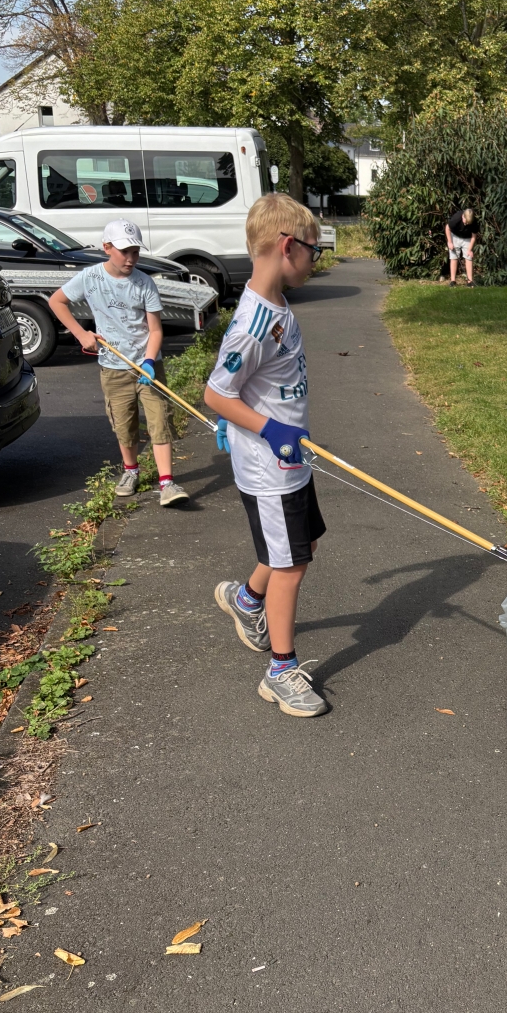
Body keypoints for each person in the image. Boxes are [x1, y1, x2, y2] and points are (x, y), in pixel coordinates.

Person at [204, 193, 329, 719]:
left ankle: (247, 600)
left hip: (288, 455)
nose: (315, 259)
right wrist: (263, 427)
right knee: (292, 564)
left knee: (300, 544)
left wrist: (275, 426)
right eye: (314, 251)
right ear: (286, 246)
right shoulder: (255, 321)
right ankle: (280, 671)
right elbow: (216, 392)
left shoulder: (275, 305)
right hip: (269, 463)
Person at [48, 220, 189, 506]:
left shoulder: (145, 283)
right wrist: (81, 333)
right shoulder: (90, 278)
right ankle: (130, 471)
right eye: (125, 251)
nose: (131, 258)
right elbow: (56, 301)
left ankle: (167, 483)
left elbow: (156, 330)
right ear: (107, 248)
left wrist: (150, 361)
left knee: (159, 420)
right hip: (113, 366)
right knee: (124, 424)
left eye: (135, 251)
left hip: (148, 366)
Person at [445, 207, 478, 286]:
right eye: (465, 222)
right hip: (455, 236)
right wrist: (450, 242)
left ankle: (470, 281)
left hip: (467, 238)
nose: (466, 224)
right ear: (463, 216)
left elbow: (474, 236)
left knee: (469, 258)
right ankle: (453, 281)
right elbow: (447, 228)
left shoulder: (474, 221)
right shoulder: (456, 218)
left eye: (468, 223)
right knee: (453, 258)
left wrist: (469, 250)